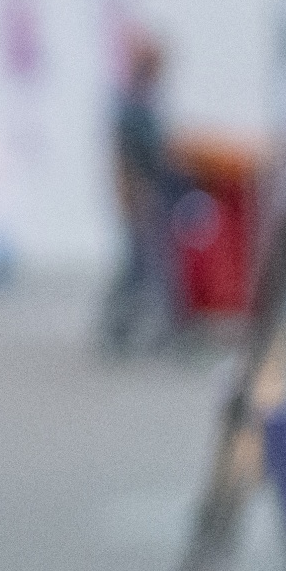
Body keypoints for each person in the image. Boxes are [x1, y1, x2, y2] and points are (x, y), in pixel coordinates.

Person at [104, 30, 187, 356]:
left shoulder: (144, 100)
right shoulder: (132, 104)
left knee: (141, 268)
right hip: (143, 194)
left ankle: (124, 330)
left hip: (151, 193)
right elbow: (129, 156)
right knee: (147, 269)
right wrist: (131, 193)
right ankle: (126, 330)